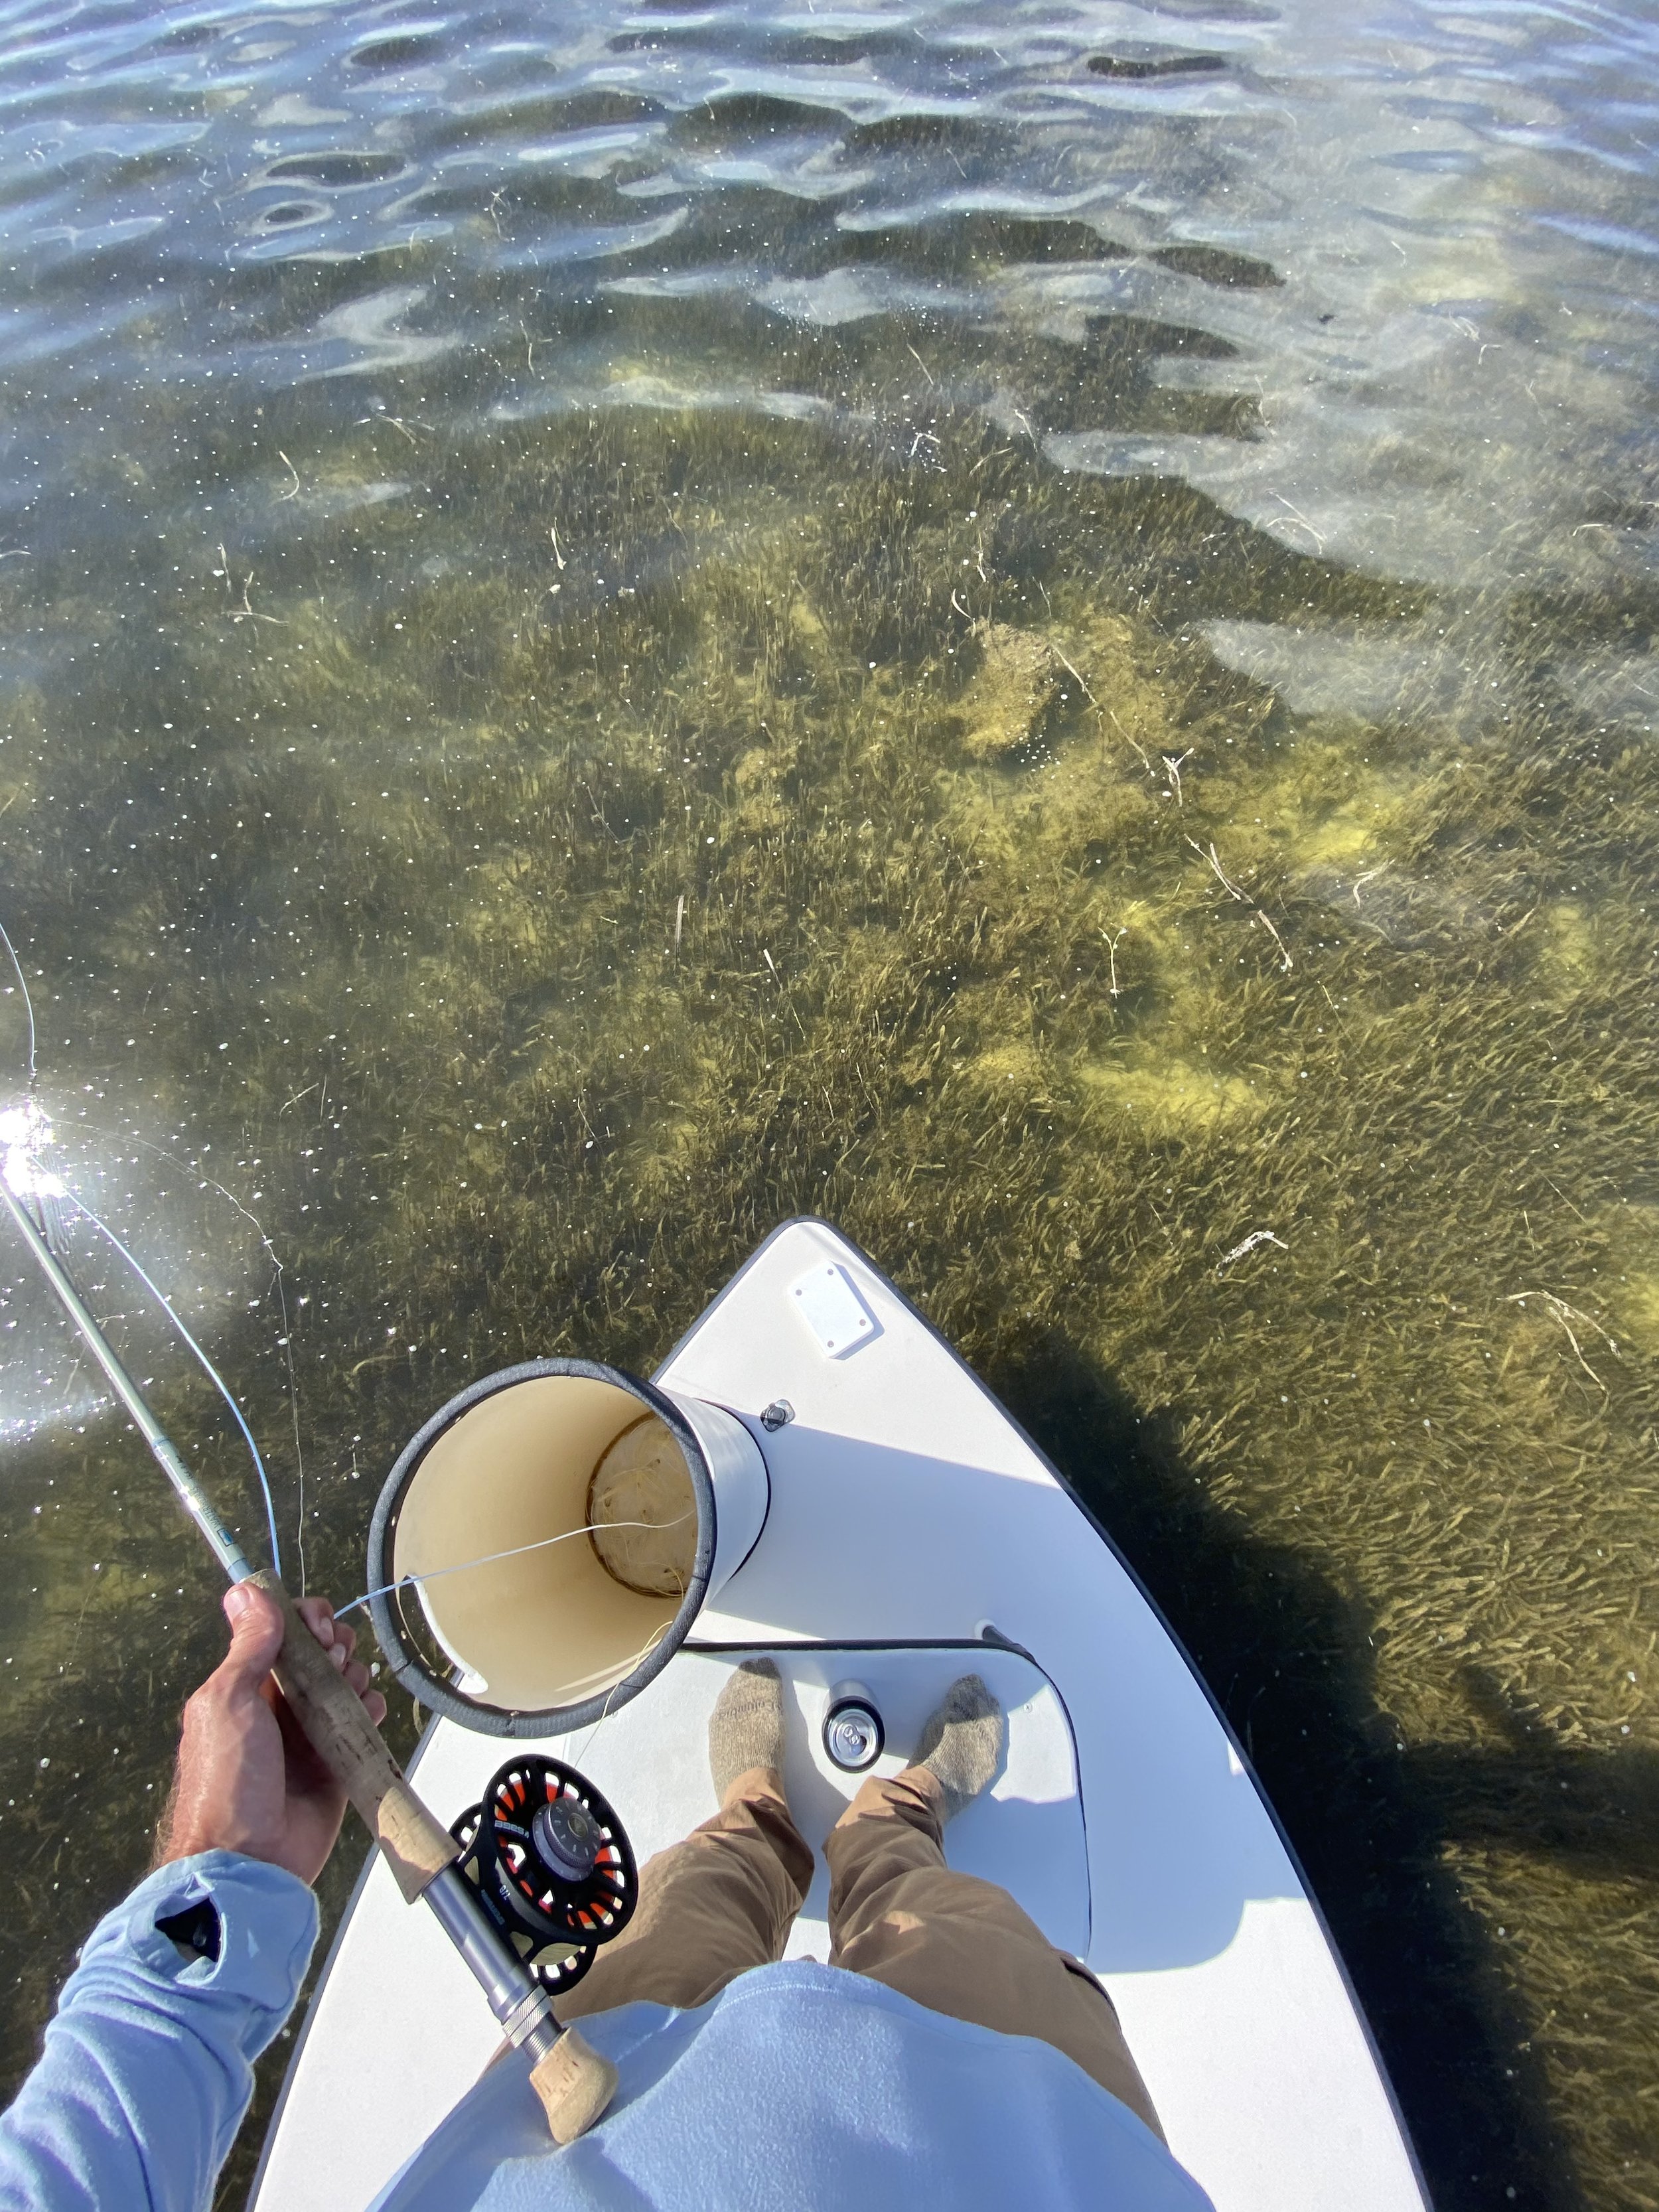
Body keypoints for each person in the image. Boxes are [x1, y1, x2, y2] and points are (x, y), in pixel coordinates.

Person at [0, 1585, 1214, 2212]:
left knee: (696, 1897)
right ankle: (891, 1823)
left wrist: (227, 1871)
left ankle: (769, 1811)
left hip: (598, 2105)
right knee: (951, 1927)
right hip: (1032, 2151)